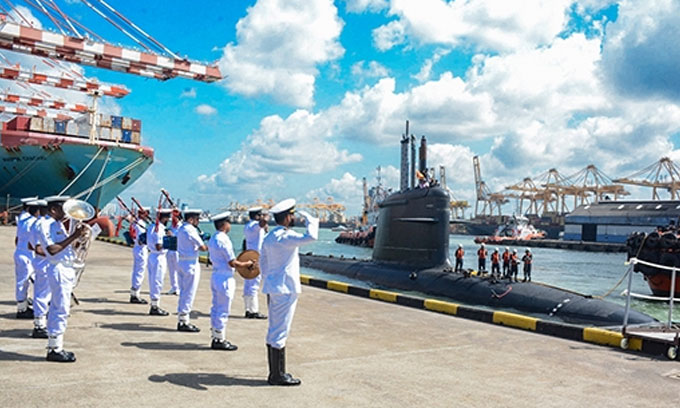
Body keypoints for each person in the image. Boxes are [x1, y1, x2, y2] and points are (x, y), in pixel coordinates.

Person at [260, 198, 318, 386]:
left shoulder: (269, 237)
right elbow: (311, 237)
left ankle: (276, 372)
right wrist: (311, 220)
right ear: (286, 218)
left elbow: (263, 264)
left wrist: (269, 282)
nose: (293, 218)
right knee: (280, 330)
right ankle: (277, 375)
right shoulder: (285, 237)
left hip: (274, 288)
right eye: (292, 215)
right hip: (285, 289)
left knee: (274, 329)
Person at [36, 195, 86, 362]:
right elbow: (51, 249)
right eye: (64, 209)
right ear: (53, 209)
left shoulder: (57, 224)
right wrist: (73, 236)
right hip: (58, 268)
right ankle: (55, 349)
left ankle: (55, 345)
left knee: (60, 307)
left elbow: (65, 248)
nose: (67, 212)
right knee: (60, 308)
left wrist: (79, 238)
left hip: (65, 268)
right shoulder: (45, 225)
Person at [208, 211, 257, 350]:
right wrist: (247, 264)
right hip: (225, 277)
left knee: (215, 307)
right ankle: (220, 339)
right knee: (223, 309)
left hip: (216, 275)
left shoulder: (213, 239)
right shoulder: (224, 239)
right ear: (224, 224)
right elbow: (232, 262)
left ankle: (216, 335)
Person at [176, 208, 208, 332]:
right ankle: (184, 321)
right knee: (189, 292)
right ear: (191, 219)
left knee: (184, 291)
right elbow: (203, 248)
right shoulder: (191, 230)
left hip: (182, 261)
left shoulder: (181, 229)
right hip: (191, 263)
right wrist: (205, 241)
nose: (198, 222)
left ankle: (182, 318)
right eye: (197, 219)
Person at [28, 199, 50, 338]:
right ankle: (39, 325)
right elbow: (36, 248)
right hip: (44, 263)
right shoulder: (41, 225)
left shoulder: (37, 223)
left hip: (44, 262)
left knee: (44, 294)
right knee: (42, 294)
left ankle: (40, 322)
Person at [14, 196, 39, 319]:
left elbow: (17, 239)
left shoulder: (22, 219)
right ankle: (22, 310)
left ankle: (23, 305)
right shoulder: (32, 222)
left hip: (20, 252)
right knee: (24, 282)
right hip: (27, 255)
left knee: (22, 281)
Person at [242, 206, 268, 319]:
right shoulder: (254, 226)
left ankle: (248, 309)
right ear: (257, 216)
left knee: (249, 284)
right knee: (254, 284)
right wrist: (266, 216)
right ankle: (253, 311)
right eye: (260, 215)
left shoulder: (249, 226)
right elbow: (263, 222)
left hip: (251, 255)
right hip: (255, 257)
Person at [146, 209, 172, 316]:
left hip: (152, 255)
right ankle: (155, 306)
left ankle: (154, 303)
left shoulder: (152, 227)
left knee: (153, 281)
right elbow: (159, 246)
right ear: (164, 218)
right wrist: (170, 240)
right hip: (159, 257)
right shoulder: (159, 229)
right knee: (157, 281)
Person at [129, 206, 150, 304]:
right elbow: (142, 240)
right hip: (141, 249)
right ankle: (135, 294)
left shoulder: (136, 223)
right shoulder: (140, 224)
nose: (148, 216)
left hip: (137, 248)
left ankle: (134, 292)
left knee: (136, 271)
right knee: (139, 272)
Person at [166, 209, 182, 296]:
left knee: (178, 270)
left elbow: (181, 238)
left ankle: (179, 288)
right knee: (171, 270)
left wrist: (172, 235)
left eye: (175, 218)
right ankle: (174, 286)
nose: (173, 220)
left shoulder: (180, 227)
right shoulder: (171, 226)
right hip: (170, 250)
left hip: (177, 250)